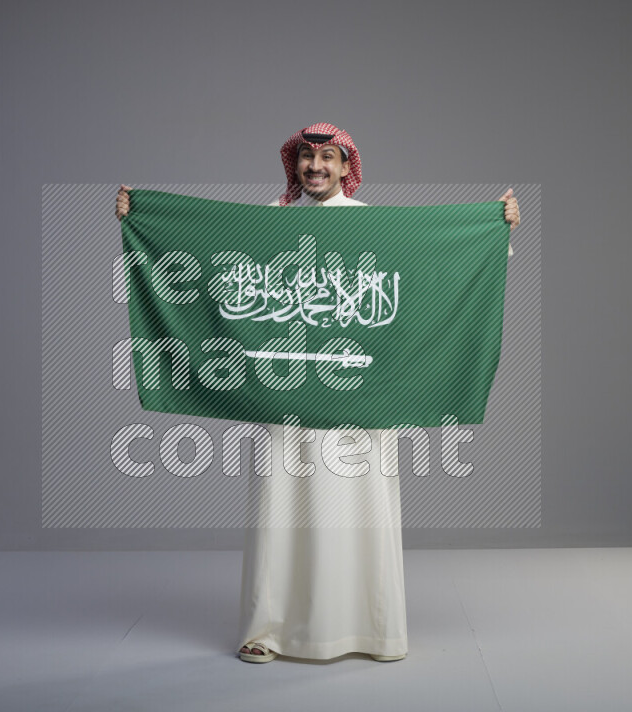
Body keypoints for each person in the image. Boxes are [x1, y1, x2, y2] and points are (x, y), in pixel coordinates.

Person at [116, 123, 520, 663]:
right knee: (280, 513)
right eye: (307, 157)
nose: (315, 167)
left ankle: (372, 632)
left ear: (345, 166)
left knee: (359, 511)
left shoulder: (373, 227)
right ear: (294, 165)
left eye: (327, 157)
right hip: (284, 402)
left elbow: (438, 266)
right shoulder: (269, 225)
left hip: (360, 400)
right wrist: (141, 217)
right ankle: (266, 631)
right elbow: (203, 257)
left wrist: (495, 229)